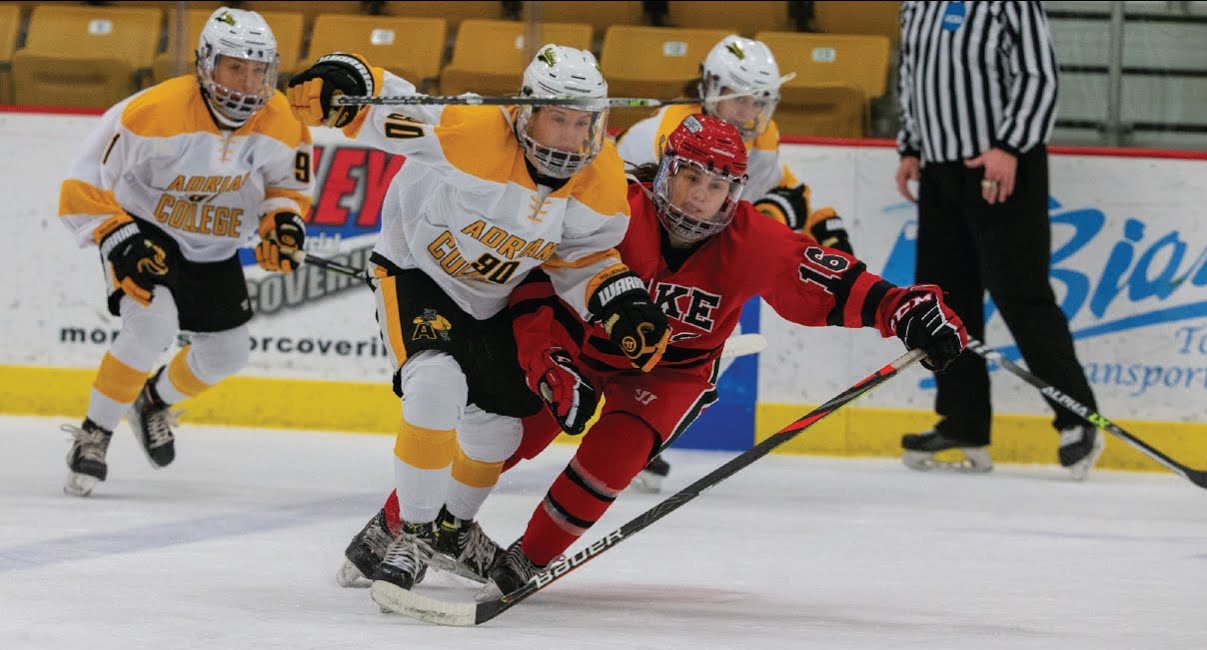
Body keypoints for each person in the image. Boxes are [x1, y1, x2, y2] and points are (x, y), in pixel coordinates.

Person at [341, 115, 969, 597]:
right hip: (582, 349)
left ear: (735, 192)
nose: (698, 197)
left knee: (612, 457)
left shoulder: (755, 241)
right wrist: (547, 364)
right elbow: (536, 287)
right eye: (689, 177)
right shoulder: (614, 211)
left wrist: (906, 309)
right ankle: (401, 526)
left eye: (716, 184)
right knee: (506, 429)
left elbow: (833, 282)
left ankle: (526, 560)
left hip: (672, 373)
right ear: (664, 171)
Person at [285, 44, 670, 592]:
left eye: (581, 123)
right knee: (435, 383)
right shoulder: (472, 128)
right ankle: (413, 536)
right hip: (416, 269)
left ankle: (450, 532)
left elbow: (581, 258)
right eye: (556, 118)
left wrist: (621, 303)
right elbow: (396, 108)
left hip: (494, 296)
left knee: (498, 430)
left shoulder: (602, 181)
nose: (567, 137)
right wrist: (347, 79)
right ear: (525, 111)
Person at [58, 8, 313, 496]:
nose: (247, 81)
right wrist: (116, 234)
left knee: (227, 354)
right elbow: (82, 183)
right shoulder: (149, 112)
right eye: (235, 66)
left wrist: (282, 223)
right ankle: (94, 433)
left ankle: (153, 401)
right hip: (147, 235)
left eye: (259, 69)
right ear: (206, 64)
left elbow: (288, 187)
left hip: (216, 245)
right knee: (151, 327)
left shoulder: (281, 117)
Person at [616, 33, 853, 492]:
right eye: (739, 100)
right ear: (710, 89)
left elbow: (774, 192)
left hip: (685, 260)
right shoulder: (665, 131)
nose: (749, 114)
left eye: (759, 102)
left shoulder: (761, 140)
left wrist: (823, 224)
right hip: (631, 250)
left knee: (717, 337)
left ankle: (639, 437)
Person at [894, 1, 1103, 479]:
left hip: (1002, 166)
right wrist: (910, 146)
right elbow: (912, 74)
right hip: (940, 169)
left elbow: (1038, 75)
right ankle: (964, 422)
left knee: (1021, 294)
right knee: (945, 304)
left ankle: (1077, 419)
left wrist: (1010, 146)